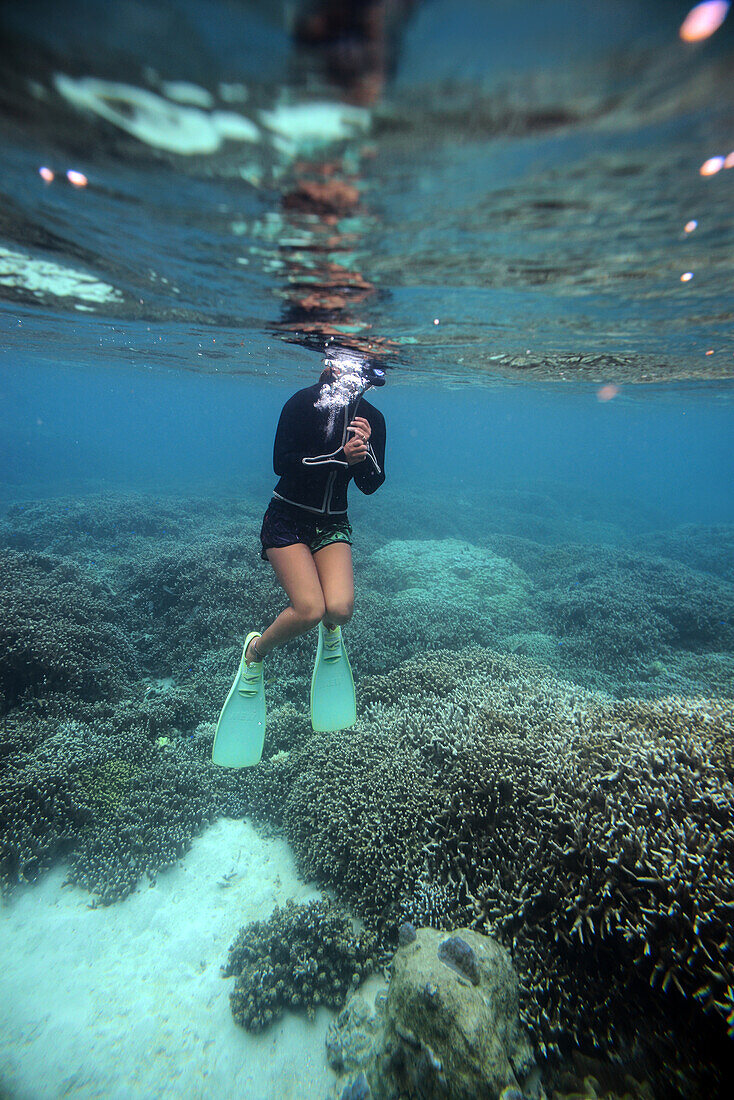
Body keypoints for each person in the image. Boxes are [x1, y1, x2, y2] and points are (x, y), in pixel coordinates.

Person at [246, 353, 386, 670]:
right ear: (332, 366)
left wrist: (367, 448)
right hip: (286, 517)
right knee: (309, 610)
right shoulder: (302, 403)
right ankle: (255, 652)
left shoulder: (372, 418)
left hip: (333, 522)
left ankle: (331, 631)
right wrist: (340, 457)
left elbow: (371, 484)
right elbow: (281, 463)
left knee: (339, 610)